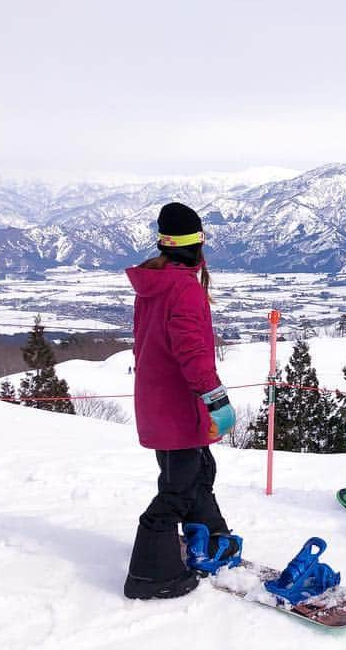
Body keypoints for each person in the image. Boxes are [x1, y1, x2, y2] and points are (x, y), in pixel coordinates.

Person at [123, 202, 238, 599]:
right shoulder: (184, 288)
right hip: (178, 405)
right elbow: (193, 355)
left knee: (196, 472)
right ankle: (150, 574)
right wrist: (217, 401)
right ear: (198, 245)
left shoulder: (156, 283)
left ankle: (209, 536)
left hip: (159, 404)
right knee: (177, 489)